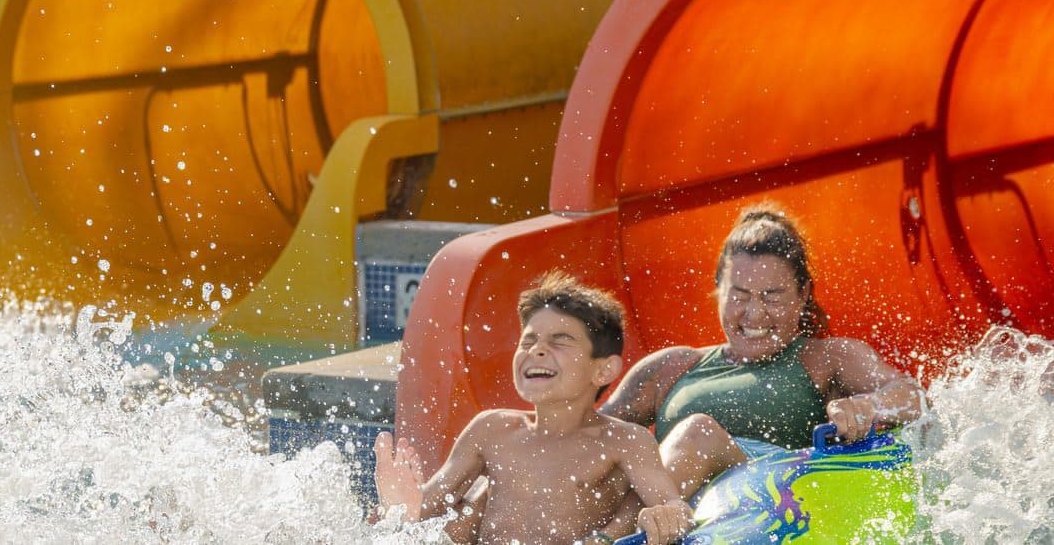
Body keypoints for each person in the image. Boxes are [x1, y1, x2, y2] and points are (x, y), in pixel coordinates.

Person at [600, 205, 925, 497]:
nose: (754, 315)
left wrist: (867, 406)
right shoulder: (670, 366)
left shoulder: (825, 358)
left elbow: (913, 396)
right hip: (675, 509)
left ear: (802, 295)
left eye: (772, 297)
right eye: (739, 296)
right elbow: (586, 434)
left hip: (767, 502)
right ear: (718, 290)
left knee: (698, 434)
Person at [373, 271, 695, 545]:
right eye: (528, 341)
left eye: (560, 340)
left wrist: (663, 516)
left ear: (604, 370)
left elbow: (673, 506)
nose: (537, 350)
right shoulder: (492, 429)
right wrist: (400, 506)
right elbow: (426, 509)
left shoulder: (623, 441)